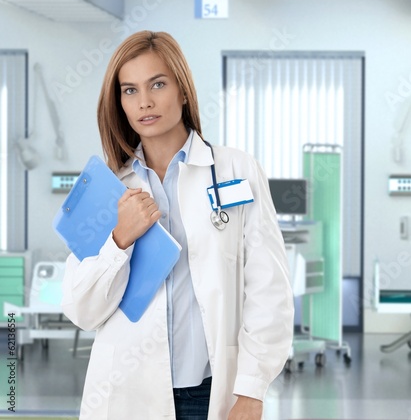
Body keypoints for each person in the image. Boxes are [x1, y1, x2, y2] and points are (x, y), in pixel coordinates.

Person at [62, 30, 294, 420]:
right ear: (118, 101)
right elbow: (82, 311)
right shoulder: (107, 190)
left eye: (158, 84)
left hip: (213, 393)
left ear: (183, 91)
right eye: (129, 90)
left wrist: (252, 390)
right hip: (127, 394)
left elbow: (269, 288)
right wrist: (119, 240)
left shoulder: (235, 171)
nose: (145, 102)